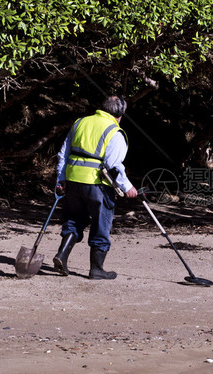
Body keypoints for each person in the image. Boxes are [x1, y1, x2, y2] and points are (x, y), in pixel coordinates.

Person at [54, 95, 138, 280]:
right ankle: (96, 269)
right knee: (101, 225)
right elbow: (114, 166)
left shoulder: (80, 122)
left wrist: (61, 179)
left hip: (73, 181)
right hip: (98, 186)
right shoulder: (114, 132)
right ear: (121, 114)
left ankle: (62, 255)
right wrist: (128, 188)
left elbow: (63, 154)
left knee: (74, 219)